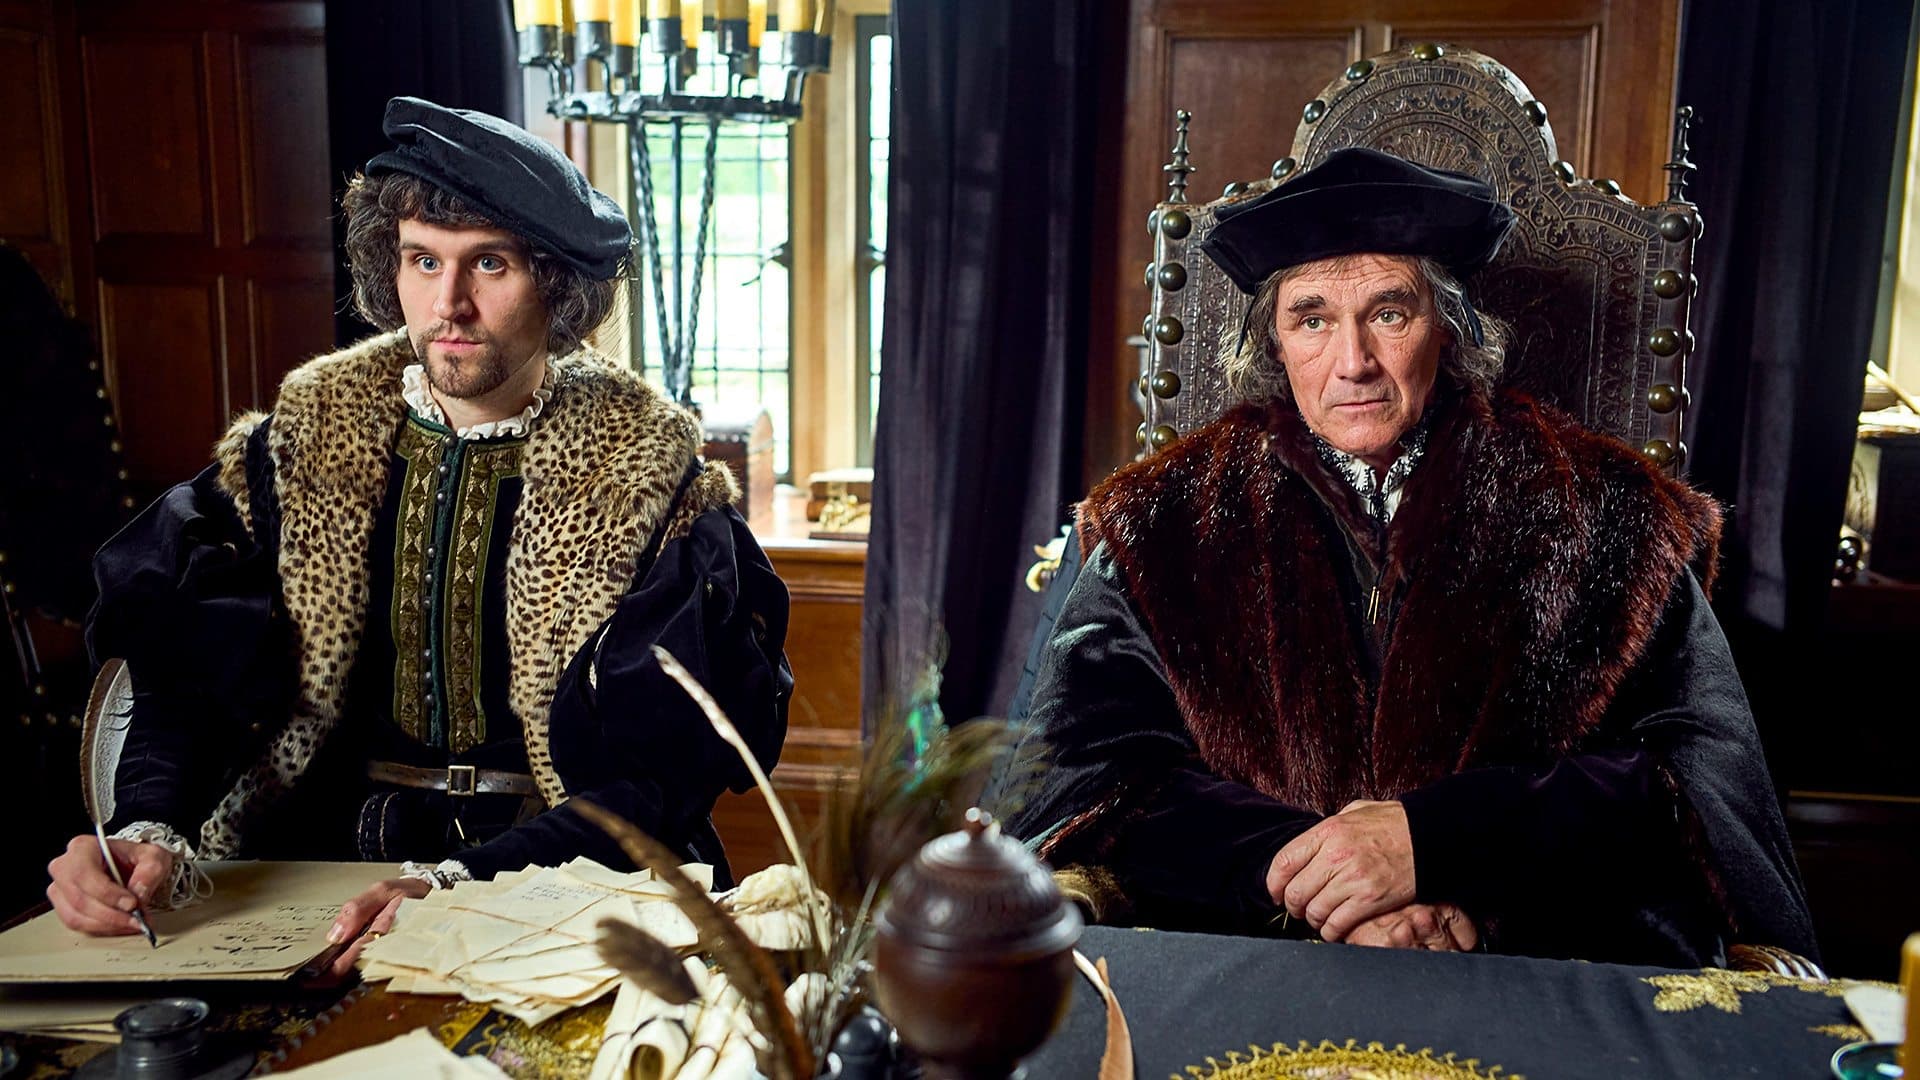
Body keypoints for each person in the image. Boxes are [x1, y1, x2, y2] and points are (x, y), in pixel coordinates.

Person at [1007, 148, 1816, 967]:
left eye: (1389, 313)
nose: (1353, 362)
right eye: (1312, 319)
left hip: (1521, 961)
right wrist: (1325, 880)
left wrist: (1435, 843)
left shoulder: (1612, 516)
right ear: (1274, 344)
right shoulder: (1161, 525)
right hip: (1252, 953)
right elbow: (1093, 777)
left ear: (1449, 327)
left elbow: (1690, 784)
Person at [45, 97, 792, 974]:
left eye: (490, 263)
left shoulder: (650, 483)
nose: (449, 304)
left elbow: (657, 777)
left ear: (556, 285)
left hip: (557, 877)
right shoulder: (297, 445)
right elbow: (183, 669)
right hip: (303, 869)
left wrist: (458, 882)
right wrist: (146, 825)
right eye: (423, 260)